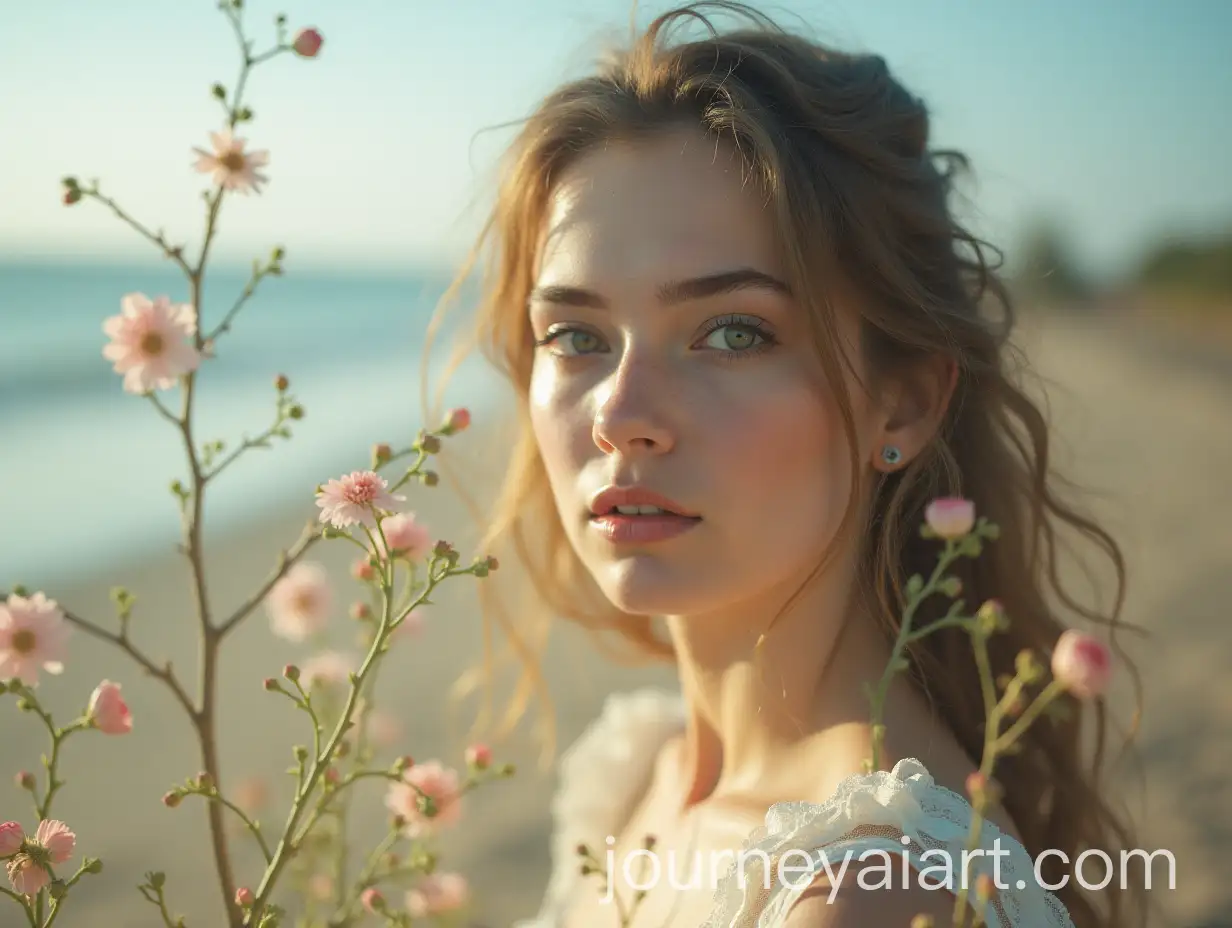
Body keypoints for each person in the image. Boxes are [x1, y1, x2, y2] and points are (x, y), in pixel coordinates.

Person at [425, 2, 1145, 925]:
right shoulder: (643, 775)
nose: (622, 417)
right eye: (576, 335)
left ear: (907, 400)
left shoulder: (858, 892)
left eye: (732, 332)